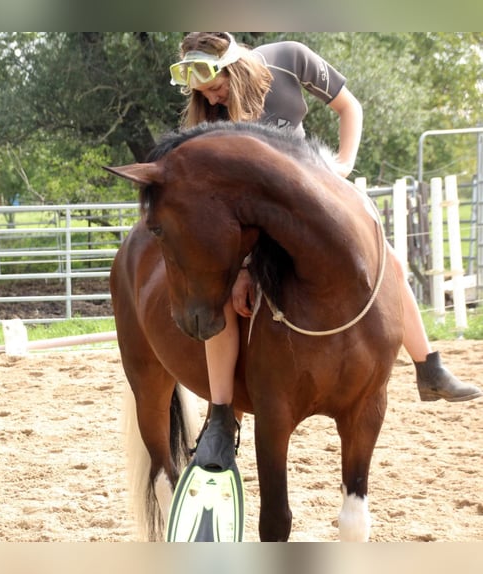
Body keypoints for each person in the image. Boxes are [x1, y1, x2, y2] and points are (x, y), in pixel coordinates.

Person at [167, 32, 482, 469]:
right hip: (252, 221)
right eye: (203, 93)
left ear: (234, 65)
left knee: (385, 259)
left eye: (216, 86)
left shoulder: (289, 58)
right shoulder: (212, 116)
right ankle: (221, 416)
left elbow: (349, 106)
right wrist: (241, 267)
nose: (212, 97)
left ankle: (429, 368)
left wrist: (342, 165)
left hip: (310, 194)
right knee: (221, 294)